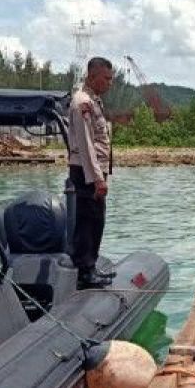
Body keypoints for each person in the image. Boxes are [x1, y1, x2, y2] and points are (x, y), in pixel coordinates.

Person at [68, 57, 115, 289]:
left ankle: (91, 266)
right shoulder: (82, 102)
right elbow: (86, 145)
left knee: (97, 219)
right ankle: (84, 271)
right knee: (88, 219)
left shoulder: (94, 101)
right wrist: (97, 178)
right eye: (106, 78)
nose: (109, 83)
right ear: (93, 76)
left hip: (94, 170)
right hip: (86, 171)